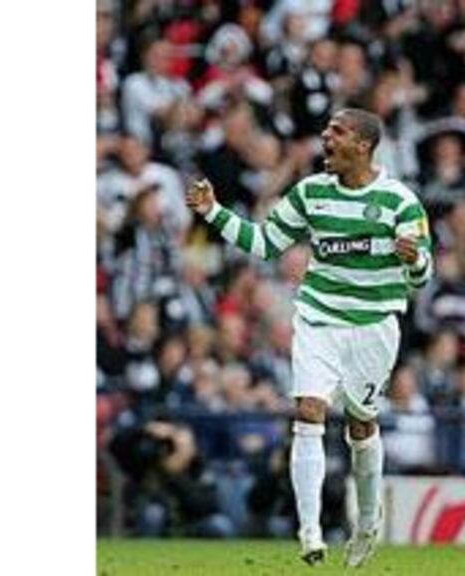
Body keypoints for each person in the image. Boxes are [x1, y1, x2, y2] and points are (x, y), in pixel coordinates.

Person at [186, 108, 433, 567]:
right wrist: (213, 212)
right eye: (326, 129)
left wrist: (415, 260)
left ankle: (365, 520)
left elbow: (422, 277)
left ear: (363, 145)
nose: (325, 136)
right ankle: (311, 531)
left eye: (337, 132)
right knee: (309, 410)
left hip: (373, 325)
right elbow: (265, 244)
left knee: (362, 424)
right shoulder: (310, 192)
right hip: (318, 318)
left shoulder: (400, 202)